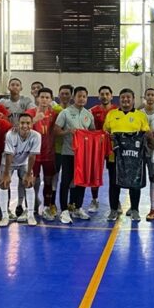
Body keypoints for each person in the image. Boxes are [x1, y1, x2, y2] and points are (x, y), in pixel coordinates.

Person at [103, 88, 151, 222]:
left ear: (133, 99)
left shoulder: (140, 116)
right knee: (114, 183)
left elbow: (146, 133)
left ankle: (135, 209)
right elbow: (105, 132)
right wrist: (110, 136)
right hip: (115, 155)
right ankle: (113, 210)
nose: (125, 100)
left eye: (128, 97)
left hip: (134, 156)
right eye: (123, 97)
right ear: (119, 99)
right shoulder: (112, 114)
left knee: (134, 183)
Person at [54, 86, 95, 223]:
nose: (82, 99)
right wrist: (68, 132)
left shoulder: (88, 115)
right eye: (79, 96)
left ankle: (78, 207)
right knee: (66, 182)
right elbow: (56, 131)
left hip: (83, 155)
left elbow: (93, 133)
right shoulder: (65, 113)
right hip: (68, 153)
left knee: (81, 182)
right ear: (74, 97)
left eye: (84, 96)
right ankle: (64, 211)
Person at [0, 114, 41, 227]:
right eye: (22, 123)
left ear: (32, 124)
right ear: (18, 124)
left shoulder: (36, 136)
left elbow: (32, 156)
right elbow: (9, 155)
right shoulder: (10, 134)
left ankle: (30, 215)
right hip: (8, 163)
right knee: (4, 184)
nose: (25, 125)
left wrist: (28, 174)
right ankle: (5, 216)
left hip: (24, 162)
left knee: (28, 183)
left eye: (28, 123)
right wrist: (7, 174)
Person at [26, 88, 59, 224]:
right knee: (31, 181)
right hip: (34, 154)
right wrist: (34, 120)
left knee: (49, 181)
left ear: (51, 100)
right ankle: (31, 208)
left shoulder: (55, 114)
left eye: (47, 97)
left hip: (49, 153)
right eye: (42, 97)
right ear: (37, 98)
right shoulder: (30, 113)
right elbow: (21, 128)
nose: (44, 100)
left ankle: (46, 207)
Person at [89, 85, 117, 212]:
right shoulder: (92, 111)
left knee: (114, 174)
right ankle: (94, 200)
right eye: (102, 94)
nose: (105, 96)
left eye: (107, 94)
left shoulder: (118, 110)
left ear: (111, 96)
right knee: (95, 174)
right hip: (97, 148)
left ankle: (115, 201)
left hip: (112, 149)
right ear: (98, 96)